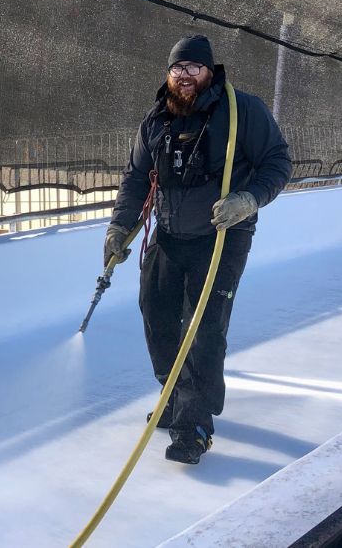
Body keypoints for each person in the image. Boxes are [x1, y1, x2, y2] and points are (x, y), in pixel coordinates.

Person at [103, 35, 291, 464]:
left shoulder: (242, 111)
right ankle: (174, 396)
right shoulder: (155, 122)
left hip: (222, 238)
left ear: (210, 71)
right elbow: (135, 179)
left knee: (203, 330)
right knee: (157, 316)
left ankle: (195, 425)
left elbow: (278, 162)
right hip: (169, 236)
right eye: (177, 68)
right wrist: (118, 226)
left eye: (193, 67)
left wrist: (249, 199)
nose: (184, 75)